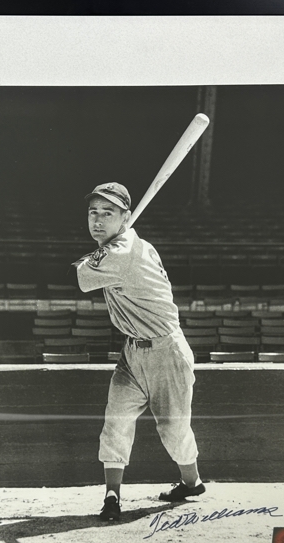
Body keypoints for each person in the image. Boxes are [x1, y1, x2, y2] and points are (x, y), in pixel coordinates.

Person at [73, 182, 205, 523]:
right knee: (115, 422)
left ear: (126, 218)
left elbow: (82, 277)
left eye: (109, 214)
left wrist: (97, 253)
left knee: (173, 431)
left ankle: (191, 483)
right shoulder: (132, 244)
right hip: (132, 351)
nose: (98, 221)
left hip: (166, 352)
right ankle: (112, 496)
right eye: (94, 213)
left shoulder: (124, 253)